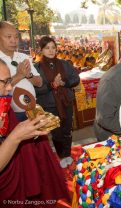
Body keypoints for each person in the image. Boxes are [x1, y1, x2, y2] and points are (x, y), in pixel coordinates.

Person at [0, 59, 70, 206]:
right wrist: (16, 136)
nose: (9, 88)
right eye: (5, 82)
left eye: (9, 81)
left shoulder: (4, 106)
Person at [34, 36, 80, 168]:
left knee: (67, 130)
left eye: (53, 47)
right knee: (56, 132)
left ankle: (67, 154)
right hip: (49, 104)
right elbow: (36, 89)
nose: (51, 51)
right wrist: (52, 85)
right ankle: (61, 155)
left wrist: (64, 83)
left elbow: (75, 79)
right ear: (41, 50)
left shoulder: (64, 64)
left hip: (66, 102)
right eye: (47, 48)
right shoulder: (37, 68)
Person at [0, 21, 42, 121]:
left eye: (16, 37)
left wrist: (28, 75)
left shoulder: (23, 57)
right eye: (8, 36)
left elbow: (40, 82)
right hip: (10, 114)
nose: (13, 41)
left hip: (32, 109)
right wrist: (19, 75)